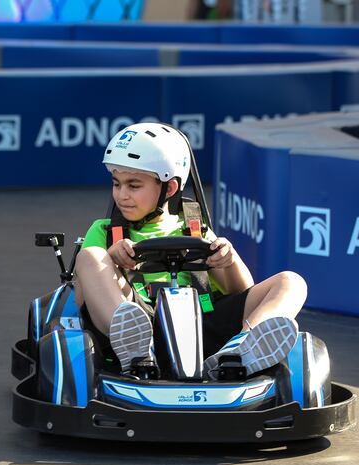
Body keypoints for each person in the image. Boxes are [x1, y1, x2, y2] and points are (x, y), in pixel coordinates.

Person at [74, 122, 307, 378]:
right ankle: (134, 348)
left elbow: (240, 291)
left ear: (169, 188)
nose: (121, 195)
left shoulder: (196, 230)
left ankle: (241, 349)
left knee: (292, 281)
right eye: (117, 184)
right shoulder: (104, 231)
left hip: (203, 322)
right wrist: (111, 259)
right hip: (144, 322)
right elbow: (81, 297)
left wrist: (227, 259)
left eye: (134, 185)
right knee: (91, 256)